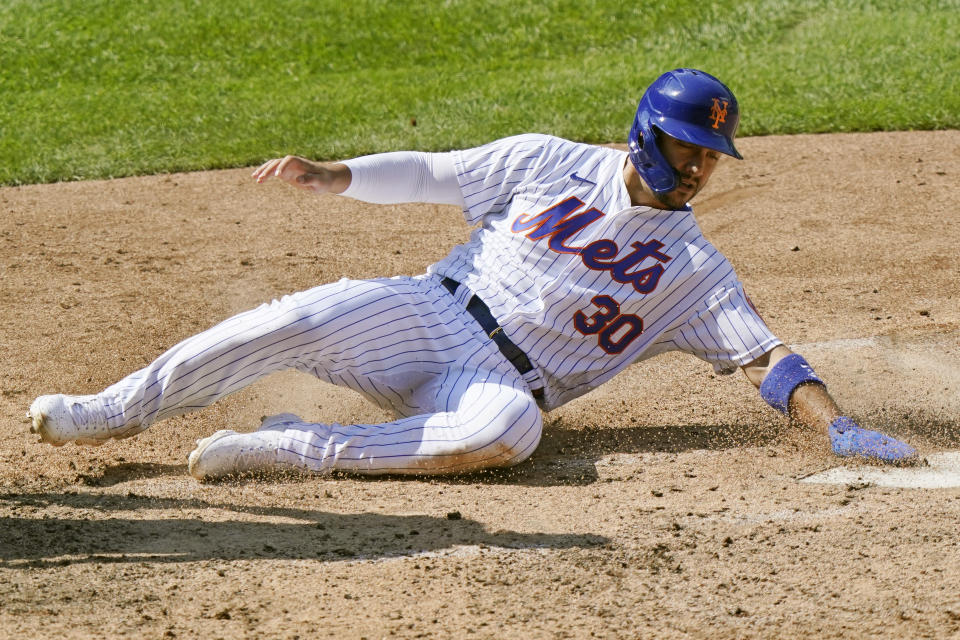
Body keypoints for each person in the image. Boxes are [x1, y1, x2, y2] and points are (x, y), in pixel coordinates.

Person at [27, 68, 916, 480]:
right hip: (427, 312)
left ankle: (288, 447)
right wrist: (338, 177)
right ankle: (111, 410)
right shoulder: (547, 160)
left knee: (511, 431)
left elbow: (768, 359)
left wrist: (833, 424)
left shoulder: (696, 271)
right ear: (649, 132)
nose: (699, 169)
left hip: (497, 382)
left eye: (712, 156)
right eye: (690, 148)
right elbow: (432, 172)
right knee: (288, 322)